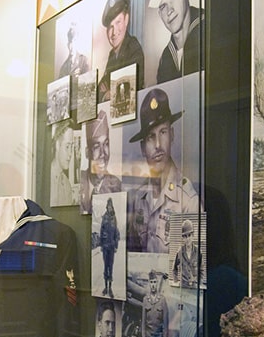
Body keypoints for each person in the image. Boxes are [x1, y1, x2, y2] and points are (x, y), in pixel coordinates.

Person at [129, 88, 199, 253]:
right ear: (142, 148)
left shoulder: (188, 201)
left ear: (172, 135)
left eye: (163, 132)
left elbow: (190, 272)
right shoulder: (138, 198)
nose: (158, 145)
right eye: (150, 137)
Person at [149, 0, 204, 84]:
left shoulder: (208, 30)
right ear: (159, 14)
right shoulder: (166, 57)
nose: (170, 10)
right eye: (163, 6)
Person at [97, 0, 145, 102]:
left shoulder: (133, 47)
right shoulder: (112, 55)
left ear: (126, 20)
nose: (114, 32)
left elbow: (132, 87)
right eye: (110, 27)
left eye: (118, 22)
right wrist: (106, 94)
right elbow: (99, 91)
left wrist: (111, 92)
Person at [79, 110, 121, 214]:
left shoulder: (117, 187)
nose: (103, 154)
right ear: (87, 152)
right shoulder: (79, 181)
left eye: (106, 144)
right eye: (96, 146)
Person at [50, 121, 77, 206]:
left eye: (72, 147)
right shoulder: (46, 179)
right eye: (67, 146)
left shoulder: (67, 185)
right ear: (57, 145)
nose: (70, 154)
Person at [172, 218, 204, 288]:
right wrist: (176, 281)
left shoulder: (198, 252)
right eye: (185, 236)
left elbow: (202, 270)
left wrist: (200, 283)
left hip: (195, 287)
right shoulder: (180, 252)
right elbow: (174, 269)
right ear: (183, 238)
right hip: (183, 287)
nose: (187, 239)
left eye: (189, 235)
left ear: (193, 236)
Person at [99, 197, 120, 297]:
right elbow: (101, 231)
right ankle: (105, 287)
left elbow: (116, 232)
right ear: (106, 207)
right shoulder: (104, 217)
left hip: (111, 247)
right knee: (105, 267)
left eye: (111, 206)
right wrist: (101, 245)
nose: (109, 208)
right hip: (105, 246)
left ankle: (110, 288)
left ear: (112, 207)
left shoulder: (114, 218)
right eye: (108, 206)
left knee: (110, 267)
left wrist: (116, 245)